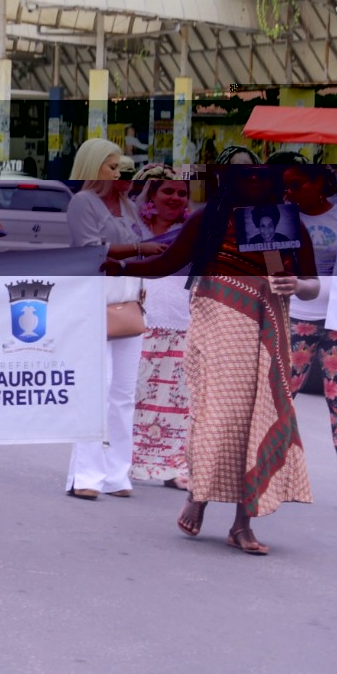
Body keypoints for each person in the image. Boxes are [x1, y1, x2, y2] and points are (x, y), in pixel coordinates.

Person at [110, 164, 318, 554]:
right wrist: (118, 266)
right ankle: (200, 495)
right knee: (220, 412)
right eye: (246, 175)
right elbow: (167, 263)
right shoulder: (212, 216)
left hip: (269, 323)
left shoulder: (288, 225)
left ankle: (242, 523)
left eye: (262, 176)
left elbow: (310, 285)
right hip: (218, 315)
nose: (254, 181)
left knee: (261, 415)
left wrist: (296, 283)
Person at [64, 138, 165, 502]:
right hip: (93, 303)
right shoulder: (81, 203)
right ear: (94, 168)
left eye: (123, 166)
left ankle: (117, 472)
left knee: (123, 394)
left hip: (129, 303)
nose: (120, 173)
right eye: (112, 166)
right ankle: (85, 474)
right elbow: (90, 249)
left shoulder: (129, 205)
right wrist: (139, 249)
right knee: (96, 390)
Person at [128, 169, 193, 490]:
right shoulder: (132, 230)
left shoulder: (193, 232)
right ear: (151, 195)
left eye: (182, 193)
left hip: (182, 324)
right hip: (138, 323)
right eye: (168, 191)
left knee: (177, 403)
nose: (175, 198)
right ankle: (125, 461)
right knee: (134, 395)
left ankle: (174, 466)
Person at [282, 163, 337, 508]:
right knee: (280, 396)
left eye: (298, 183)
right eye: (286, 185)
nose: (290, 190)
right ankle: (271, 472)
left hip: (336, 319)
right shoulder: (281, 216)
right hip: (297, 316)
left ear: (319, 183)